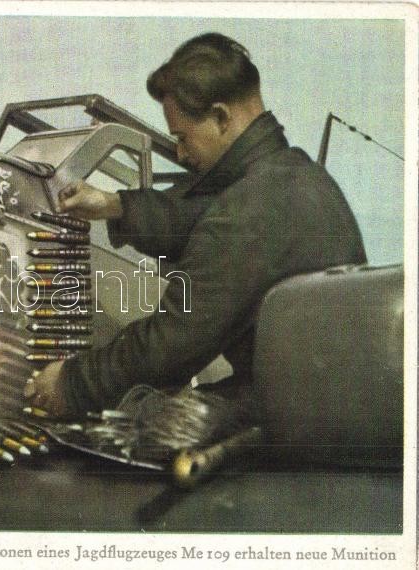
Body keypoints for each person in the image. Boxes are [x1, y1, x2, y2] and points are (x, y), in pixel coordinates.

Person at [26, 33, 366, 417]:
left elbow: (170, 345)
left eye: (182, 137)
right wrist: (115, 205)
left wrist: (71, 383)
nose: (182, 152)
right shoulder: (296, 177)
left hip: (299, 420)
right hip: (324, 402)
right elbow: (200, 216)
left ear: (220, 117)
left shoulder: (251, 210)